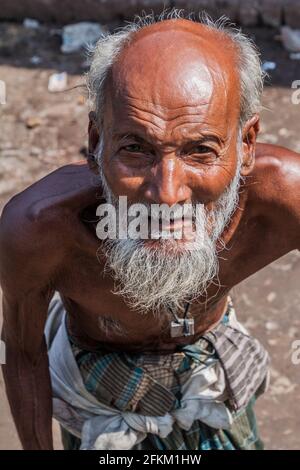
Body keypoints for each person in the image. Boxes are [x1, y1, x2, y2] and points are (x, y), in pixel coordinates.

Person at [1, 12, 299, 450]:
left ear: (247, 144)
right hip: (94, 387)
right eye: (136, 149)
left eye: (200, 151)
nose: (167, 194)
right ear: (97, 140)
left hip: (208, 366)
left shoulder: (285, 200)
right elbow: (24, 351)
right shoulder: (41, 231)